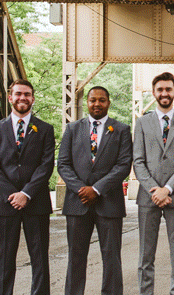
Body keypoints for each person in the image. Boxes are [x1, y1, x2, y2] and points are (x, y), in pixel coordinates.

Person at [57, 86, 133, 295]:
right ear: (87, 102)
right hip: (77, 203)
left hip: (109, 202)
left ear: (108, 103)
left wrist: (97, 189)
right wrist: (81, 189)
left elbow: (123, 165)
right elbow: (63, 164)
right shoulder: (72, 129)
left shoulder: (121, 130)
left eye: (101, 100)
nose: (97, 104)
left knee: (111, 258)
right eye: (92, 100)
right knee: (75, 258)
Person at [0, 79, 56, 295]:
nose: (22, 98)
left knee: (40, 258)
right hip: (5, 204)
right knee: (5, 259)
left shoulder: (45, 129)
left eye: (26, 94)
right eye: (18, 94)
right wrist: (12, 195)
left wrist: (26, 193)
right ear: (10, 98)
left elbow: (46, 165)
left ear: (33, 99)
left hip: (36, 202)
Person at [133, 72, 174, 295]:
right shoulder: (142, 123)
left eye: (168, 89)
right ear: (153, 92)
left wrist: (167, 189)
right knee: (145, 255)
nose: (164, 93)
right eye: (160, 89)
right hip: (148, 197)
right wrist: (155, 190)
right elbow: (138, 161)